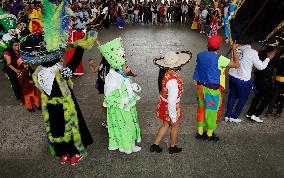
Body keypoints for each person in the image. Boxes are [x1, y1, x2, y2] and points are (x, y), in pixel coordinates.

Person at [193, 35, 240, 142]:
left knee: (201, 108)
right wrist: (234, 49)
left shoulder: (200, 55)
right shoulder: (220, 59)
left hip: (200, 87)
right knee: (212, 111)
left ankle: (200, 132)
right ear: (218, 47)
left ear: (207, 45)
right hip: (212, 90)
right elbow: (237, 64)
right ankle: (209, 134)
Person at [99, 38, 141, 154]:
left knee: (130, 124)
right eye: (124, 65)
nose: (127, 66)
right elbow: (109, 98)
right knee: (126, 127)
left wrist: (132, 87)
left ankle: (127, 143)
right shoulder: (113, 78)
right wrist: (123, 100)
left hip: (126, 106)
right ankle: (128, 146)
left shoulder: (120, 74)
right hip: (120, 109)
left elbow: (125, 84)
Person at [150, 51, 191, 154]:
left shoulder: (166, 73)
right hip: (170, 106)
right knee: (175, 126)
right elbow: (172, 102)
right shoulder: (173, 81)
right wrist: (173, 117)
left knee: (165, 125)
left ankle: (155, 145)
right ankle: (172, 147)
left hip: (164, 103)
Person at [224, 44, 275, 123]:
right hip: (243, 79)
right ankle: (234, 117)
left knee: (232, 96)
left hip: (232, 76)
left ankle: (227, 115)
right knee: (242, 98)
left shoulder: (237, 48)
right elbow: (261, 67)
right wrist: (268, 58)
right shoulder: (252, 52)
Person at [246, 47, 276, 122]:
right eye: (274, 52)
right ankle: (256, 115)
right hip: (265, 81)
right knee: (267, 98)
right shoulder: (271, 57)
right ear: (270, 52)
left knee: (257, 97)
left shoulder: (259, 53)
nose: (274, 54)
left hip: (257, 79)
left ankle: (249, 113)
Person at [88, 55, 110, 128]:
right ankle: (108, 119)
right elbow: (94, 70)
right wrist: (91, 64)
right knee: (104, 104)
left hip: (108, 86)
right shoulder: (102, 62)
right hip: (101, 85)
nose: (101, 54)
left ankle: (111, 120)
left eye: (102, 53)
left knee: (107, 104)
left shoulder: (110, 64)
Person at [2, 38, 23, 105]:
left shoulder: (20, 49)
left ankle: (24, 94)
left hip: (17, 66)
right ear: (11, 46)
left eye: (18, 45)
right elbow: (9, 64)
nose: (17, 46)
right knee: (15, 83)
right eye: (15, 45)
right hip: (10, 69)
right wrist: (16, 71)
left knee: (22, 81)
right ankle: (19, 98)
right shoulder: (7, 52)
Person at [266, 49, 284, 118]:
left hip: (278, 80)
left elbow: (275, 66)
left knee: (274, 96)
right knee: (282, 97)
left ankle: (269, 112)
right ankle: (278, 113)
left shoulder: (279, 60)